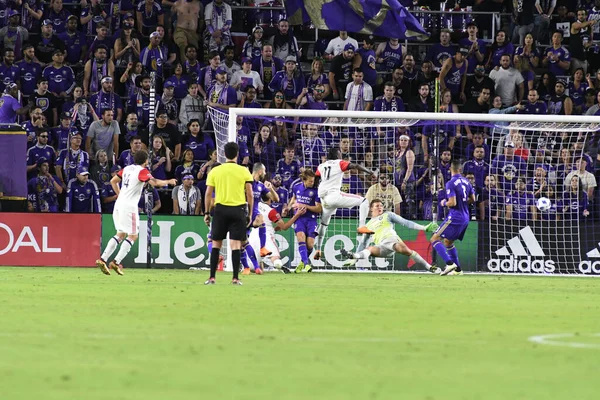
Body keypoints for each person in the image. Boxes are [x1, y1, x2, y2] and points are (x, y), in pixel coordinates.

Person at [97, 150, 176, 275]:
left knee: (121, 234)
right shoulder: (142, 171)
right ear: (146, 161)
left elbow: (113, 181)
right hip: (129, 207)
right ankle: (115, 262)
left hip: (118, 205)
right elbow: (154, 183)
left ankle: (103, 259)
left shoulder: (127, 169)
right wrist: (169, 181)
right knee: (133, 235)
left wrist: (120, 194)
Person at [203, 142, 254, 285]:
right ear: (237, 154)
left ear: (224, 154)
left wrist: (207, 212)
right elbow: (250, 193)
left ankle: (212, 277)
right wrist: (249, 212)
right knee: (236, 244)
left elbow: (208, 194)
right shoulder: (244, 171)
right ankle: (235, 278)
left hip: (220, 210)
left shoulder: (215, 171)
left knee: (216, 244)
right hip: (238, 210)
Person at [341, 199, 438, 271]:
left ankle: (429, 267)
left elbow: (406, 222)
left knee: (407, 251)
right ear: (371, 209)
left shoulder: (388, 215)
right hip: (381, 247)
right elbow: (363, 243)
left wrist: (424, 228)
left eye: (381, 206)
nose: (380, 207)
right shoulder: (367, 225)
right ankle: (353, 256)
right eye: (377, 206)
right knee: (370, 249)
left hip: (391, 240)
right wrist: (356, 258)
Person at [314, 147, 375, 260]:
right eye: (340, 153)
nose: (341, 155)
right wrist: (369, 171)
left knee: (323, 225)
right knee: (364, 201)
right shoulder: (339, 163)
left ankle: (318, 249)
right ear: (337, 155)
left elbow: (316, 180)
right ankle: (361, 226)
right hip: (334, 196)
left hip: (324, 200)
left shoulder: (321, 166)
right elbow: (355, 166)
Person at [430, 160, 476, 276]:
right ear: (460, 170)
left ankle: (449, 263)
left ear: (450, 169)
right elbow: (473, 199)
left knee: (434, 239)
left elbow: (452, 202)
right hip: (465, 216)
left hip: (455, 216)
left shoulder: (451, 183)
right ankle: (458, 270)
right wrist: (463, 202)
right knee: (448, 242)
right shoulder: (466, 182)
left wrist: (443, 203)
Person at [255, 191, 306, 272]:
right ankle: (279, 266)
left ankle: (253, 266)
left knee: (253, 265)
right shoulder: (271, 211)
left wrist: (275, 229)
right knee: (275, 258)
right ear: (270, 198)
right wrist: (297, 215)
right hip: (266, 235)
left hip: (253, 235)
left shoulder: (256, 205)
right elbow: (285, 227)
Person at [289, 169, 322, 273]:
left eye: (313, 181)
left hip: (311, 219)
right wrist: (291, 206)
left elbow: (319, 209)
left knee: (310, 245)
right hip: (299, 218)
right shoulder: (296, 187)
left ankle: (302, 262)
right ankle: (307, 264)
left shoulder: (316, 191)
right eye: (310, 181)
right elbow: (293, 199)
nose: (312, 183)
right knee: (300, 238)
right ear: (304, 180)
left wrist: (305, 206)